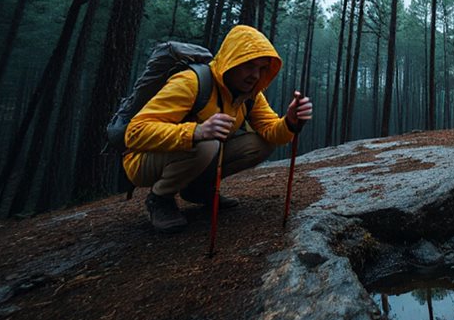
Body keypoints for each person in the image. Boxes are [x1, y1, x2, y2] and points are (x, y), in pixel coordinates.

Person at [124, 25, 313, 232]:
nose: (255, 75)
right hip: (144, 161)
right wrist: (195, 132)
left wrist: (290, 122)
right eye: (249, 66)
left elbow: (272, 131)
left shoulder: (250, 95)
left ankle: (198, 189)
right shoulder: (191, 83)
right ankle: (160, 199)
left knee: (262, 143)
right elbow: (135, 132)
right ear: (232, 61)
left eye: (261, 69)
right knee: (207, 143)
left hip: (195, 154)